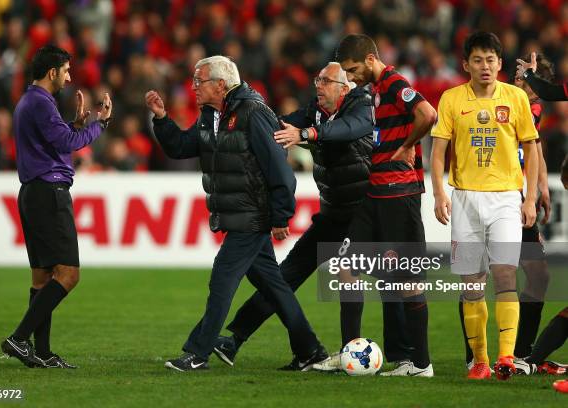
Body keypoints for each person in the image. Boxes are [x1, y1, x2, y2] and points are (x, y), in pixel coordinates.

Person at [146, 55, 328, 372]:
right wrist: (162, 119)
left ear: (221, 84)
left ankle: (198, 352)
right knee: (275, 286)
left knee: (222, 280)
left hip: (252, 216)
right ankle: (310, 350)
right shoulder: (210, 116)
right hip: (237, 215)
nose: (193, 87)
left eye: (199, 81)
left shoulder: (253, 112)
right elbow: (181, 147)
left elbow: (279, 169)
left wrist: (280, 216)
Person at [211, 62, 374, 371]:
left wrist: (307, 134)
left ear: (344, 87)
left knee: (351, 276)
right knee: (284, 277)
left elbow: (349, 130)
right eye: (318, 79)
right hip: (331, 213)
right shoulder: (314, 111)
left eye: (326, 81)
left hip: (362, 213)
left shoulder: (362, 105)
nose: (318, 85)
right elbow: (276, 126)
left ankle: (354, 353)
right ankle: (235, 339)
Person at [430, 32, 539, 380]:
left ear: (500, 64)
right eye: (478, 60)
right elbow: (437, 151)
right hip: (463, 198)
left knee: (505, 272)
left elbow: (532, 148)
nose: (485, 66)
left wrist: (531, 197)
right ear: (466, 65)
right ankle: (480, 361)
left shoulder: (516, 98)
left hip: (506, 197)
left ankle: (506, 357)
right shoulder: (451, 99)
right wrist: (438, 193)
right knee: (471, 282)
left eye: (491, 59)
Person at [0, 45, 112, 368]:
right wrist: (100, 124)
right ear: (52, 72)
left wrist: (75, 125)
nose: (69, 76)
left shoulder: (30, 102)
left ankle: (42, 353)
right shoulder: (40, 103)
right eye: (65, 70)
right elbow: (67, 144)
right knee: (68, 274)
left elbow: (57, 141)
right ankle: (19, 339)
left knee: (42, 278)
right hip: (49, 193)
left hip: (33, 193)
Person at [335, 34, 438, 377]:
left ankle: (421, 364)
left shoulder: (394, 82)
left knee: (407, 281)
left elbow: (427, 113)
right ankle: (348, 352)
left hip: (399, 195)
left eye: (352, 70)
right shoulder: (377, 90)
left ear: (369, 60)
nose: (350, 77)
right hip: (376, 194)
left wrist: (408, 145)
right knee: (347, 267)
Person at [459, 53, 555, 367]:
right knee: (476, 276)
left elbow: (534, 144)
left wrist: (540, 186)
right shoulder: (493, 103)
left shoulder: (529, 108)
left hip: (515, 203)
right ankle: (476, 356)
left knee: (537, 275)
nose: (520, 86)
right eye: (518, 79)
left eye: (528, 81)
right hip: (482, 196)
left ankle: (521, 351)